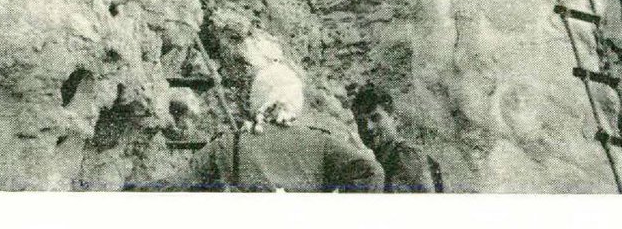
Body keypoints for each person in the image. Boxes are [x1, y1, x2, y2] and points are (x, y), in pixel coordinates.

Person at [177, 62, 383, 192]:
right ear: (296, 100)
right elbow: (371, 171)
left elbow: (178, 183)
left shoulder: (229, 144)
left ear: (256, 100)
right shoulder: (321, 143)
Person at [352, 84, 442, 192]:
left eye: (375, 118)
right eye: (361, 122)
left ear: (394, 119)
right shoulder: (384, 157)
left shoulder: (406, 156)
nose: (368, 127)